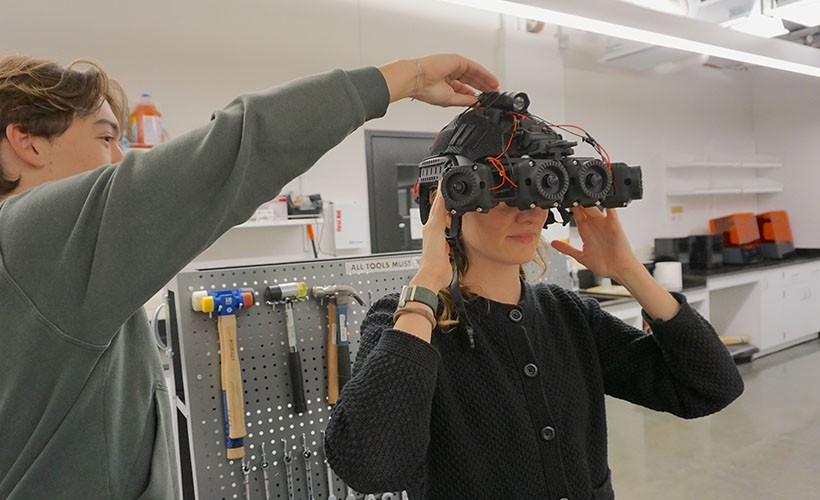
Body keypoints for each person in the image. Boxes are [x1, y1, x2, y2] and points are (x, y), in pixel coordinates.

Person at [0, 53, 499, 499]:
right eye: (105, 137)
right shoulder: (32, 240)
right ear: (25, 141)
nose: (119, 159)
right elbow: (236, 147)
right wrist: (400, 79)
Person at [324, 108, 745, 499]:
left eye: (539, 190)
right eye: (502, 193)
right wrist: (427, 286)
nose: (528, 213)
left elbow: (711, 388)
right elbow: (370, 468)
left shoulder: (569, 314)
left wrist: (628, 270)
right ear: (449, 203)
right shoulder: (407, 324)